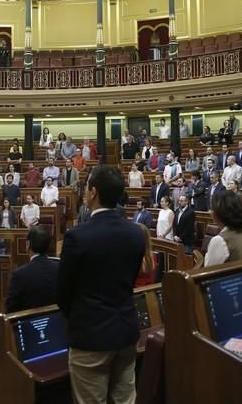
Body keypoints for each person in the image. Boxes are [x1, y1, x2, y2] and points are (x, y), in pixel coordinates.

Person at [57, 165, 145, 404]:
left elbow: (63, 292)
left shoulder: (77, 237)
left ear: (93, 192)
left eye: (86, 189)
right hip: (126, 331)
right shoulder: (136, 233)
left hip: (90, 336)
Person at [6, 226, 58, 313]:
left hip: (28, 324)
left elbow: (11, 310)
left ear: (28, 244)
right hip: (55, 323)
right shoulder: (59, 269)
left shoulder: (19, 275)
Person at [204, 191, 242, 266]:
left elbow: (209, 272)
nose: (210, 212)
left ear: (219, 213)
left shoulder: (219, 241)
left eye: (212, 209)